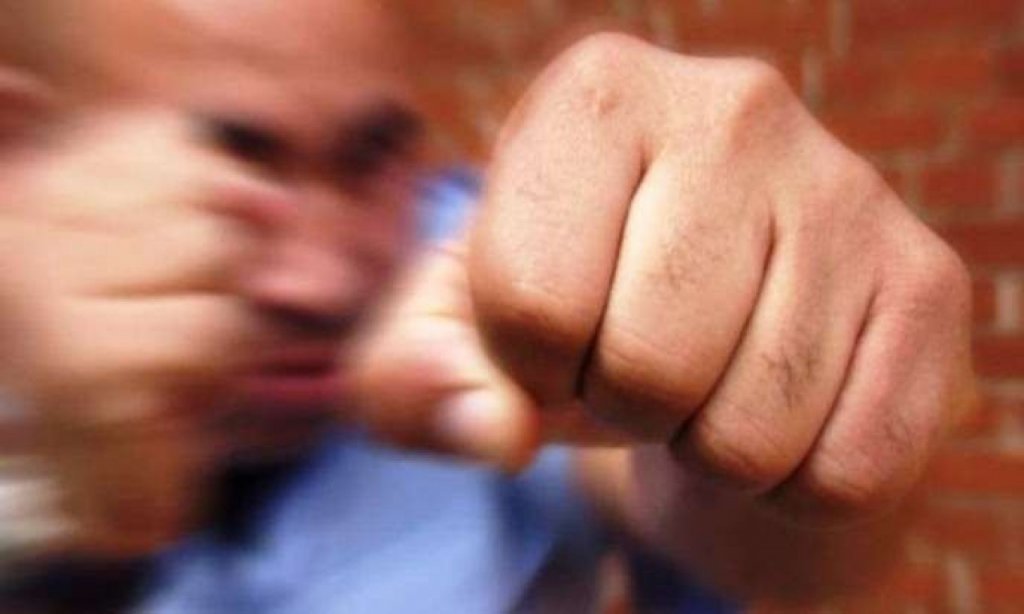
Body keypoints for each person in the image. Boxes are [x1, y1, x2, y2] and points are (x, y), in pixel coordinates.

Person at [0, 1, 975, 612]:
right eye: (239, 162)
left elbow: (765, 539)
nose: (324, 280)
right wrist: (47, 498)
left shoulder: (476, 275)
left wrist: (792, 386)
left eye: (371, 155)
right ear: (22, 145)